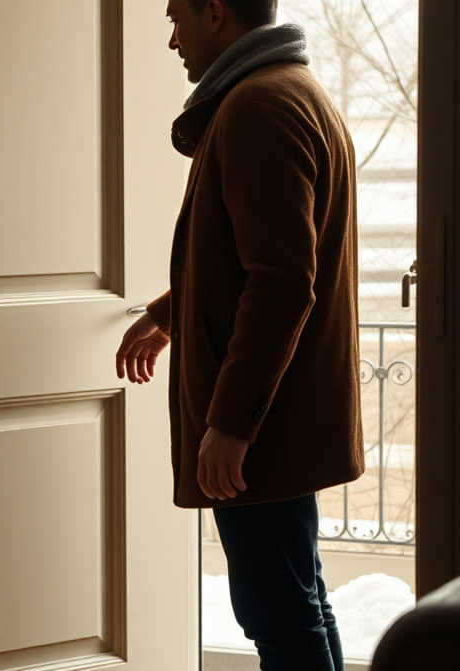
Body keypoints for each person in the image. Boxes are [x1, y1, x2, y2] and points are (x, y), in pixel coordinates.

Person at [116, 1, 362, 669]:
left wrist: (230, 422)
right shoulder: (293, 90)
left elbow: (281, 283)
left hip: (266, 428)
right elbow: (250, 257)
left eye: (177, 19)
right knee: (297, 604)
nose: (172, 40)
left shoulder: (259, 106)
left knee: (279, 615)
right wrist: (167, 315)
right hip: (283, 417)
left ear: (216, 12)